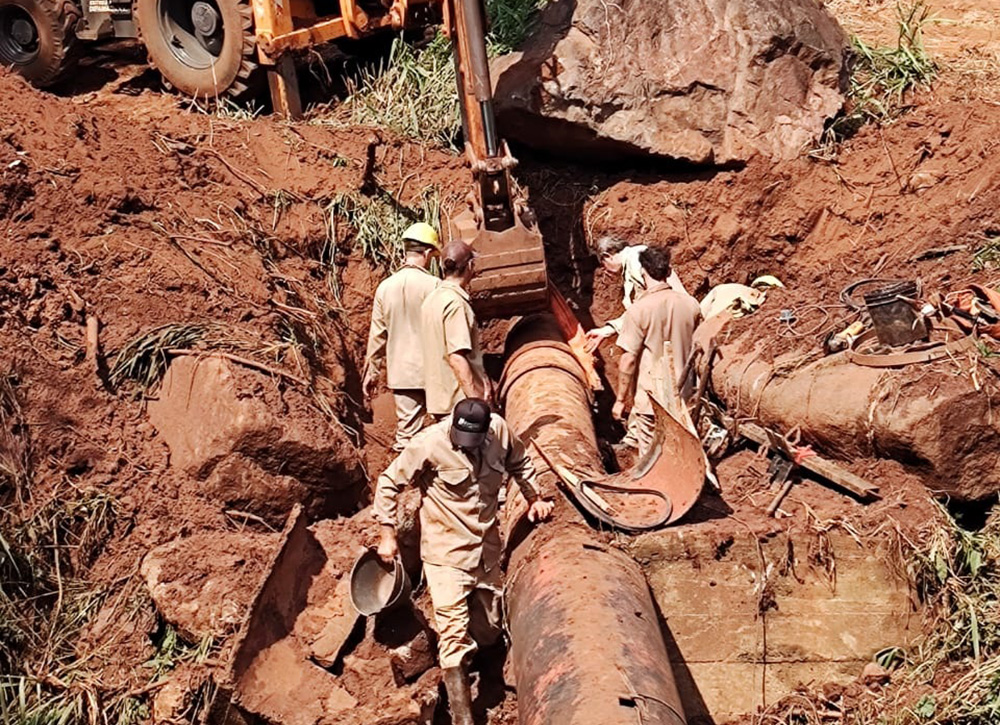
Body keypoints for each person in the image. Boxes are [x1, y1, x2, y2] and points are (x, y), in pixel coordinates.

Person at [374, 398, 554, 725]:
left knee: (489, 630)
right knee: (454, 634)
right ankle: (462, 717)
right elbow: (388, 483)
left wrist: (534, 498)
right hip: (446, 553)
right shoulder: (429, 443)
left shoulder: (499, 431)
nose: (467, 447)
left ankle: (486, 667)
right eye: (461, 439)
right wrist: (388, 534)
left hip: (485, 549)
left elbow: (520, 462)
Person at [612, 246, 701, 456]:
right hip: (684, 398)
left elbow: (628, 361)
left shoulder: (638, 310)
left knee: (651, 458)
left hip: (651, 402)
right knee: (681, 454)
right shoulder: (691, 305)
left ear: (643, 272)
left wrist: (620, 400)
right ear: (668, 272)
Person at [362, 222, 442, 451]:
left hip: (402, 375)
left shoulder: (385, 288)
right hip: (434, 373)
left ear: (405, 252)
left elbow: (377, 335)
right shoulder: (435, 286)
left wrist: (372, 372)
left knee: (408, 439)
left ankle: (408, 482)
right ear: (427, 253)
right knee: (447, 432)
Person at [585, 235, 690, 352]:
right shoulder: (637, 257)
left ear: (607, 256)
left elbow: (646, 305)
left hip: (674, 326)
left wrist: (608, 330)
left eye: (602, 264)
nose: (605, 270)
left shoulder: (635, 260)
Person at [421, 242, 489, 419]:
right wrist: (476, 401)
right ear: (470, 266)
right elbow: (457, 357)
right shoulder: (456, 304)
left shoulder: (431, 300)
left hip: (439, 400)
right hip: (460, 403)